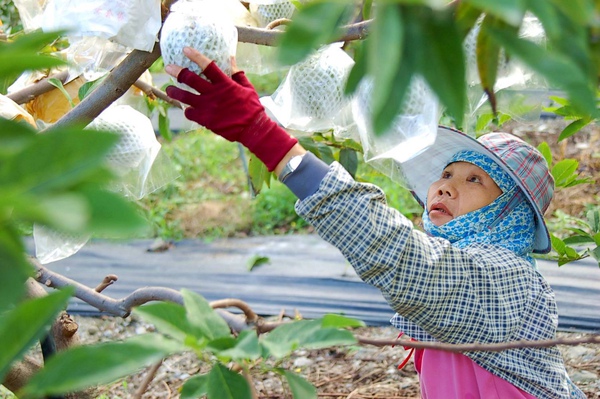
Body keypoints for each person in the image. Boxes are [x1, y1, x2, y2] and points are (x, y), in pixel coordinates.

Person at [165, 47, 586, 399]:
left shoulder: (507, 278)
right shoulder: (469, 267)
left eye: (474, 179)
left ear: (508, 212)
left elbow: (403, 258)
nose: (444, 187)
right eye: (447, 174)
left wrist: (266, 136)